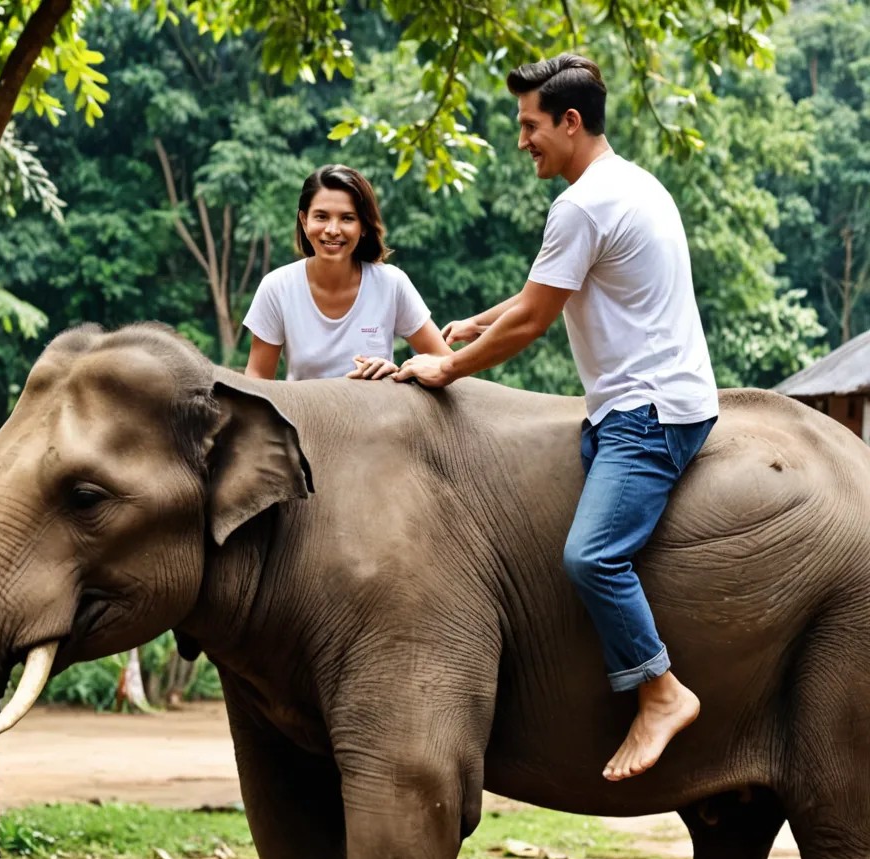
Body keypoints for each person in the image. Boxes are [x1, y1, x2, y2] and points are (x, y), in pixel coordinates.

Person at [395, 54, 719, 783]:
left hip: (648, 414)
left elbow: (534, 321)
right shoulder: (627, 183)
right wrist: (475, 323)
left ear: (570, 123)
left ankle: (661, 690)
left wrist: (445, 366)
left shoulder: (582, 205)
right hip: (656, 396)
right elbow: (539, 293)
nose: (522, 141)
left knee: (591, 556)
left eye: (530, 126)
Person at [243, 164, 451, 382]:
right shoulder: (277, 287)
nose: (333, 230)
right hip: (302, 415)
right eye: (321, 217)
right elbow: (257, 379)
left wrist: (397, 373)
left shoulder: (391, 283)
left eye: (347, 218)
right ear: (304, 221)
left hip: (381, 414)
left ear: (364, 226)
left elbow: (445, 362)